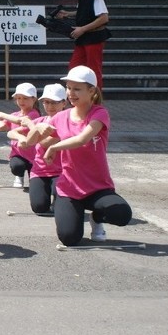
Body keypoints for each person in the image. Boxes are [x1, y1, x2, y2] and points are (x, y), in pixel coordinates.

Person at [33, 66, 132, 246]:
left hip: (98, 187)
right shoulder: (61, 116)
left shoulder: (99, 113)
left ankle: (97, 218)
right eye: (69, 88)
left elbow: (82, 139)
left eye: (77, 88)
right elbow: (34, 142)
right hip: (69, 188)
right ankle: (73, 213)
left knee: (122, 215)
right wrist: (36, 130)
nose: (71, 93)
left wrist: (54, 148)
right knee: (69, 239)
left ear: (91, 91)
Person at [55, 0, 111, 90]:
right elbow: (84, 11)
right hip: (84, 37)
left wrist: (83, 29)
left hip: (94, 37)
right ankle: (77, 98)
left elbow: (103, 17)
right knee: (74, 68)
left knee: (94, 70)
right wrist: (68, 14)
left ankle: (96, 102)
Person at [20, 83, 68, 215]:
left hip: (63, 171)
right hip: (40, 170)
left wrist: (32, 127)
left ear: (64, 103)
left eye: (54, 102)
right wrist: (32, 130)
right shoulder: (40, 120)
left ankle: (60, 201)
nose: (50, 106)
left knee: (60, 205)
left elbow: (48, 142)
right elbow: (28, 141)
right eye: (46, 102)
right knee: (39, 208)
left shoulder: (68, 122)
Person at [0, 82, 40, 188]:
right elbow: (2, 126)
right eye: (19, 98)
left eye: (25, 98)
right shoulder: (14, 115)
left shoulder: (34, 114)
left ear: (34, 99)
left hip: (34, 155)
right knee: (17, 166)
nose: (21, 101)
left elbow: (21, 121)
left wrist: (3, 115)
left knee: (35, 184)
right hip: (18, 153)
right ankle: (19, 176)